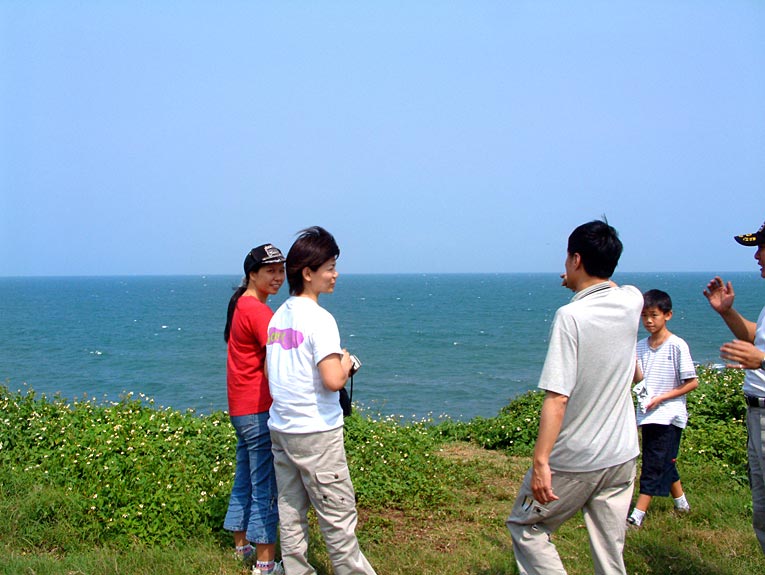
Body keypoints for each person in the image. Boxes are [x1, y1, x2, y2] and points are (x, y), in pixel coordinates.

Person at [506, 219, 643, 575]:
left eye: (568, 258)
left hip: (578, 458)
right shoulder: (633, 300)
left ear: (576, 259)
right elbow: (614, 289)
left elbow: (557, 398)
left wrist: (541, 462)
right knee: (609, 548)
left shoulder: (570, 316)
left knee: (527, 526)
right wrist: (580, 282)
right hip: (623, 453)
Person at [266, 226, 377, 575]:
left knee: (290, 511)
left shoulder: (277, 318)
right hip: (316, 432)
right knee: (337, 515)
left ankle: (296, 569)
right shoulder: (320, 319)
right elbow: (332, 381)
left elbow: (272, 372)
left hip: (282, 428)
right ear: (307, 273)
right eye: (330, 267)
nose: (335, 274)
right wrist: (345, 363)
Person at [223, 244, 286, 575]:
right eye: (270, 271)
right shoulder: (260, 312)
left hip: (240, 408)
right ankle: (265, 564)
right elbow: (274, 365)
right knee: (265, 487)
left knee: (245, 478)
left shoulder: (241, 304)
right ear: (252, 274)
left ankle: (241, 546)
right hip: (258, 408)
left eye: (281, 270)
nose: (278, 277)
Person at [703, 218, 765, 553]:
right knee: (762, 514)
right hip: (757, 415)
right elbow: (756, 338)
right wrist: (727, 313)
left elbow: (760, 353)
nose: (757, 256)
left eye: (762, 248)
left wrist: (763, 361)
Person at [627, 289, 698, 528]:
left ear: (668, 315)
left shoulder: (677, 345)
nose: (648, 321)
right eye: (644, 316)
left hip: (669, 415)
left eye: (654, 315)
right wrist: (631, 361)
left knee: (653, 463)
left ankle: (637, 515)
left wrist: (662, 398)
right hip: (648, 413)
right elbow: (640, 380)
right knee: (665, 460)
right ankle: (682, 504)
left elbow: (692, 382)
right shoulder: (640, 346)